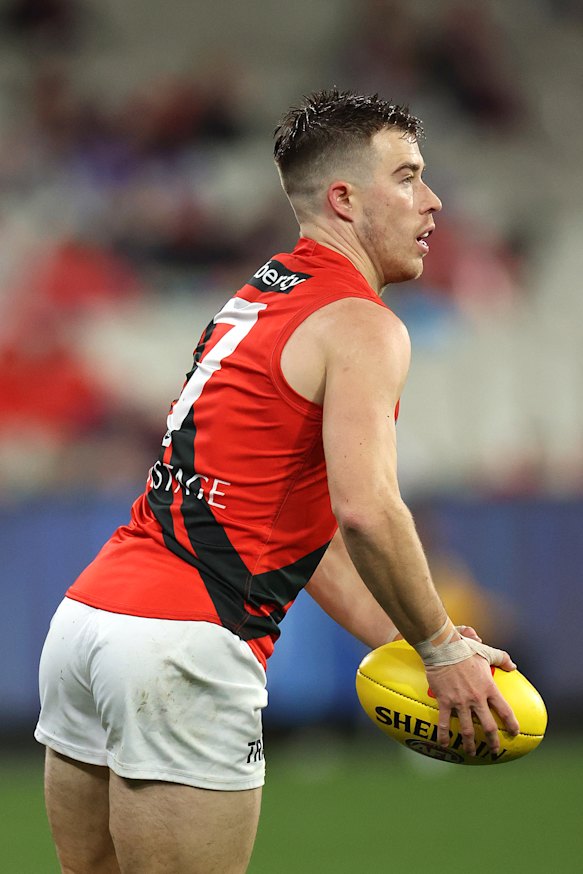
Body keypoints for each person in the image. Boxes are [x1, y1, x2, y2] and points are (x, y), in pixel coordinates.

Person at [35, 89, 520, 874]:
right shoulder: (361, 324)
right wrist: (439, 646)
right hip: (184, 647)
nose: (432, 201)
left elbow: (305, 523)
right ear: (343, 199)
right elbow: (365, 510)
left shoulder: (257, 297)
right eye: (407, 177)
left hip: (90, 622)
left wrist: (407, 644)